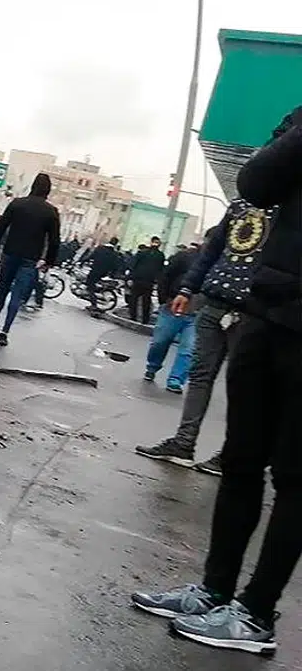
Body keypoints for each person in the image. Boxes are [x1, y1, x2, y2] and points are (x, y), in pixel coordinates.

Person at [131, 105, 302, 655]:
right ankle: (214, 591)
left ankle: (254, 615)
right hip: (269, 309)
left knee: (295, 479)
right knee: (242, 460)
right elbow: (257, 180)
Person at [135, 201, 272, 472]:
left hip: (252, 311)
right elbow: (211, 252)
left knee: (244, 385)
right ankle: (184, 444)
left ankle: (232, 453)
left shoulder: (288, 208)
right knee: (200, 376)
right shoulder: (239, 207)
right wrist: (187, 289)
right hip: (215, 304)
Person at [0, 174, 61, 347]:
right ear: (48, 190)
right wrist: (48, 261)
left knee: (3, 289)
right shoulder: (51, 212)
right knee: (17, 295)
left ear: (32, 186)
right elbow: (55, 241)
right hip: (30, 259)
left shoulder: (17, 204)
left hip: (10, 253)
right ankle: (5, 332)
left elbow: (0, 227)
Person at [140, 242, 202, 392]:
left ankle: (176, 379)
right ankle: (152, 367)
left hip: (198, 314)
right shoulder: (184, 257)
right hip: (172, 307)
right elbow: (165, 276)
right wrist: (164, 299)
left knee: (189, 349)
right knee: (160, 342)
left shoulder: (221, 264)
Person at [129, 236, 167, 323]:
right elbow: (161, 270)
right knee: (146, 300)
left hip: (138, 279)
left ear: (151, 242)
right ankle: (145, 319)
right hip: (149, 281)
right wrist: (158, 281)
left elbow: (133, 265)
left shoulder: (142, 253)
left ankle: (133, 316)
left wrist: (131, 277)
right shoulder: (160, 255)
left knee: (134, 298)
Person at [86, 238, 125, 309]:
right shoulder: (115, 253)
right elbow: (115, 265)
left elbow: (91, 256)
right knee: (94, 284)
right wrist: (112, 273)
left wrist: (83, 262)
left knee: (89, 286)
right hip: (104, 273)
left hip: (95, 270)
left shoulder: (100, 248)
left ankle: (94, 304)